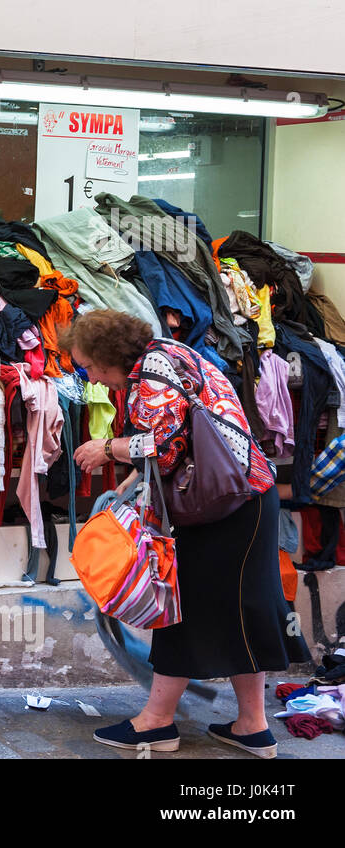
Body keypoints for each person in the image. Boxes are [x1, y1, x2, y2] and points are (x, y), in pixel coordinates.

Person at [60, 309, 308, 758]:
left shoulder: (152, 372)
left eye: (90, 366)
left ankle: (156, 723)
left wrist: (107, 448)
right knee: (244, 610)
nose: (90, 376)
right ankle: (252, 726)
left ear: (110, 356)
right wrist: (131, 483)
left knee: (180, 608)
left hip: (224, 504)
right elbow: (185, 434)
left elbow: (164, 444)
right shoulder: (172, 354)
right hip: (244, 498)